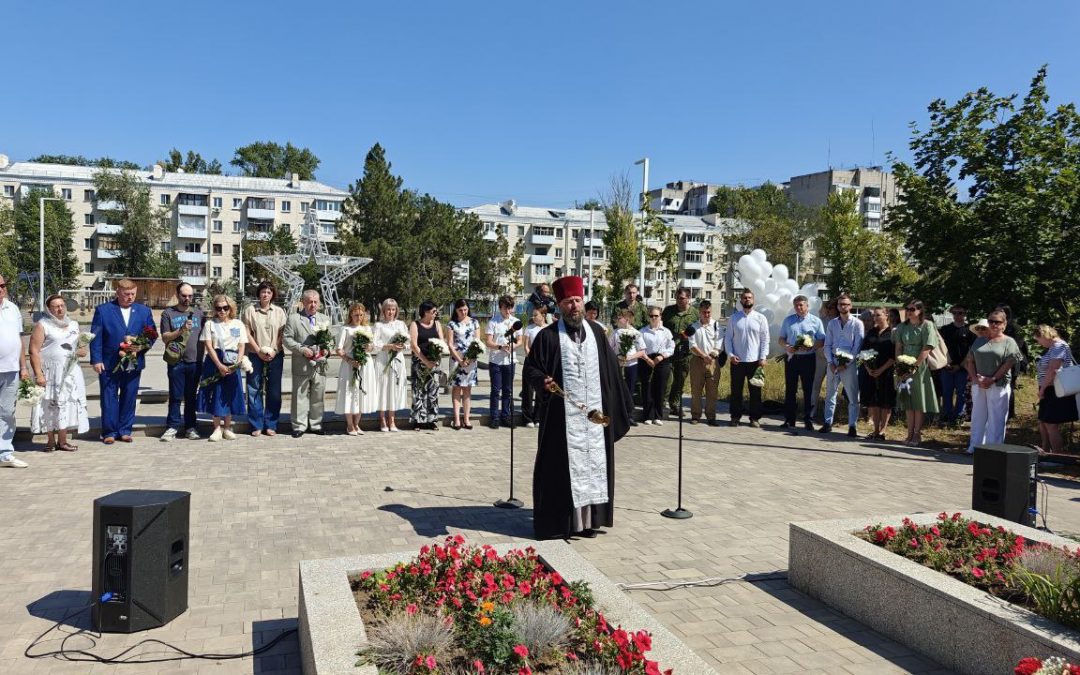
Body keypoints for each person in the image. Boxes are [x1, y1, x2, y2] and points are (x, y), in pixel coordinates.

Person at [522, 275, 632, 540]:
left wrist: (617, 409)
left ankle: (590, 521)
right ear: (559, 305)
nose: (574, 306)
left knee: (594, 466)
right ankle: (563, 523)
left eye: (578, 300)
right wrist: (543, 382)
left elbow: (610, 374)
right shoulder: (547, 337)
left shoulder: (596, 332)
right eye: (568, 302)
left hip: (594, 419)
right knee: (560, 470)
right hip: (563, 421)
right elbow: (532, 370)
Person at [90, 279, 157, 444]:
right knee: (109, 396)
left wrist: (140, 347)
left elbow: (152, 335)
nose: (130, 297)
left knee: (129, 395)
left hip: (133, 362)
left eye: (133, 294)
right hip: (109, 362)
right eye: (126, 294)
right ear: (118, 292)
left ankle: (125, 430)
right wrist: (96, 359)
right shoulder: (104, 311)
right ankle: (109, 432)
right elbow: (96, 337)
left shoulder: (143, 311)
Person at [29, 294, 89, 452]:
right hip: (50, 372)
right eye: (56, 306)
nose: (60, 308)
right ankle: (50, 440)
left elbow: (79, 345)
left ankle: (63, 440)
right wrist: (38, 374)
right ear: (49, 309)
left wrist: (81, 350)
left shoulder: (74, 324)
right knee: (49, 405)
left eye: (62, 305)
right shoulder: (43, 325)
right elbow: (34, 351)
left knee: (67, 404)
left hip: (70, 371)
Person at [964, 309, 1022, 454]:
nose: (994, 324)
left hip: (998, 384)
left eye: (997, 322)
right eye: (991, 321)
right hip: (979, 383)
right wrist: (976, 379)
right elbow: (970, 361)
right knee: (978, 415)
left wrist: (992, 379)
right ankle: (975, 445)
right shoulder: (980, 339)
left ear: (1004, 324)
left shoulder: (1009, 342)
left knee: (996, 418)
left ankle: (993, 449)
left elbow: (1008, 364)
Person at [197, 294, 248, 441]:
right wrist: (219, 364)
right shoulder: (210, 324)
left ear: (230, 308)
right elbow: (208, 346)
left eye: (225, 308)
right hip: (215, 361)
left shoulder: (238, 324)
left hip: (233, 362)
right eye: (218, 308)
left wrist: (236, 365)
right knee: (216, 394)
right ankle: (217, 428)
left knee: (229, 394)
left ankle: (227, 427)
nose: (222, 311)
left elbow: (241, 345)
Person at [159, 282, 204, 441]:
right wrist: (180, 330)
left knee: (191, 396)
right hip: (176, 361)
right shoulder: (168, 314)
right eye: (184, 295)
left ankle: (190, 427)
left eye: (190, 295)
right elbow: (165, 337)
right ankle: (172, 427)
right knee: (176, 396)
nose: (187, 298)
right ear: (177, 295)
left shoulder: (199, 313)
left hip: (195, 361)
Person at [283, 289, 331, 437]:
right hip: (301, 363)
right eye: (310, 301)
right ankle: (299, 426)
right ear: (303, 302)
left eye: (316, 302)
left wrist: (326, 351)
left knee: (318, 395)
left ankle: (316, 425)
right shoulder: (294, 318)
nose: (313, 304)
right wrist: (301, 349)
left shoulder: (324, 318)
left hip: (319, 365)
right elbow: (286, 339)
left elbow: (329, 341)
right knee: (300, 395)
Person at [243, 281, 287, 437]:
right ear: (258, 294)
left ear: (272, 294)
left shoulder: (280, 312)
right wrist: (258, 350)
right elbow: (247, 333)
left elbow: (282, 333)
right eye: (263, 292)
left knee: (273, 390)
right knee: (254, 388)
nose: (265, 295)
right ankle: (256, 424)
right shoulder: (249, 311)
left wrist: (275, 350)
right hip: (256, 354)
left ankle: (271, 424)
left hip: (276, 354)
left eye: (269, 292)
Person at [894, 299, 940, 447]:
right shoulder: (902, 327)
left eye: (912, 309)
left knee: (918, 401)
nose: (909, 312)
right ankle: (909, 433)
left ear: (920, 311)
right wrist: (900, 366)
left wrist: (915, 366)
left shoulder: (927, 325)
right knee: (908, 400)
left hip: (919, 366)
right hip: (904, 364)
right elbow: (898, 347)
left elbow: (927, 348)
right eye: (907, 309)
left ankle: (917, 433)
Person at [779, 295, 825, 431]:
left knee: (808, 389)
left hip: (808, 358)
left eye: (801, 305)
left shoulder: (815, 321)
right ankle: (789, 419)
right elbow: (781, 338)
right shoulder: (788, 321)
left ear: (807, 306)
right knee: (790, 389)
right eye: (796, 305)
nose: (799, 308)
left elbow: (822, 340)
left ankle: (808, 419)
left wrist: (811, 346)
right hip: (792, 358)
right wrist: (787, 346)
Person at [821, 292, 865, 437]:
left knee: (853, 396)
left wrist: (846, 363)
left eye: (845, 304)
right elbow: (827, 344)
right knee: (830, 394)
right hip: (833, 362)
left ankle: (852, 425)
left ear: (850, 306)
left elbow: (857, 346)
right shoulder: (832, 323)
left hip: (848, 364)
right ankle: (828, 423)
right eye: (840, 304)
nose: (843, 306)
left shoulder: (857, 323)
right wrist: (830, 362)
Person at [724, 289, 769, 427]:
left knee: (755, 391)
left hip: (755, 361)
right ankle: (735, 417)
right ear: (740, 300)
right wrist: (731, 355)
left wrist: (763, 357)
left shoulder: (761, 318)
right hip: (737, 361)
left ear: (753, 300)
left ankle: (754, 418)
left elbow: (765, 339)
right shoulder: (734, 318)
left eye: (749, 297)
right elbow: (728, 339)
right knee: (736, 391)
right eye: (744, 298)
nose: (747, 299)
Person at [0, 274, 30, 468]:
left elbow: (18, 340)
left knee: (7, 412)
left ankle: (4, 453)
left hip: (10, 369)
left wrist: (23, 367)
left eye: (3, 285)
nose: (1, 289)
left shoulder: (12, 308)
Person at [336, 302, 378, 435]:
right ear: (351, 314)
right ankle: (349, 425)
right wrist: (349, 360)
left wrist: (369, 347)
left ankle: (357, 424)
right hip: (349, 364)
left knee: (360, 394)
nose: (358, 317)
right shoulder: (345, 329)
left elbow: (372, 346)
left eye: (361, 314)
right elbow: (339, 349)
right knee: (349, 393)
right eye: (355, 314)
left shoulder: (367, 329)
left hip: (365, 364)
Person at [1034, 325, 1077, 453]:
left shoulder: (1058, 346)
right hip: (1048, 389)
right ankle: (1045, 451)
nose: (1039, 343)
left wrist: (1042, 390)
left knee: (1051, 424)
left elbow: (1053, 370)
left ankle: (1057, 457)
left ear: (1044, 336)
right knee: (1043, 421)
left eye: (1038, 339)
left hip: (1055, 390)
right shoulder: (1053, 348)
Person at [859, 307, 896, 440]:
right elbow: (864, 351)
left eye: (878, 315)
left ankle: (883, 430)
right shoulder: (871, 332)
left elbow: (894, 355)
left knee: (885, 401)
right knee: (873, 401)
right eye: (874, 316)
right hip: (871, 371)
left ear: (886, 315)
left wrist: (881, 369)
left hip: (886, 371)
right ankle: (875, 430)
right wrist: (869, 368)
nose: (875, 318)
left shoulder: (892, 332)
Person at [686, 300, 725, 426]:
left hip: (713, 361)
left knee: (712, 391)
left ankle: (711, 417)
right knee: (696, 390)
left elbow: (719, 343)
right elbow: (692, 345)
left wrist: (712, 355)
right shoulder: (693, 327)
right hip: (697, 361)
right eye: (704, 312)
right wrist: (704, 356)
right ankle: (695, 415)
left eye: (708, 312)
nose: (707, 315)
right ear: (699, 312)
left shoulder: (716, 325)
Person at [662, 288, 698, 418]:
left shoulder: (695, 313)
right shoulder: (668, 311)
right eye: (677, 297)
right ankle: (662, 404)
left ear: (688, 298)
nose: (678, 300)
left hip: (685, 353)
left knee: (680, 380)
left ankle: (675, 404)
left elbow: (699, 330)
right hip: (669, 351)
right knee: (668, 379)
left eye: (682, 298)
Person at [373, 298, 409, 432]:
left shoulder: (401, 324)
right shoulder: (378, 325)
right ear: (383, 310)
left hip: (397, 360)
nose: (391, 312)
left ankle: (392, 420)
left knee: (394, 388)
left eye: (393, 309)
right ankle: (382, 419)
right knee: (383, 388)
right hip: (383, 360)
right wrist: (389, 346)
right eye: (388, 309)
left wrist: (402, 346)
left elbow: (408, 343)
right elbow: (374, 345)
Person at [485, 295, 520, 429]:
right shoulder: (493, 322)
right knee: (495, 390)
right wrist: (500, 347)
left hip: (510, 360)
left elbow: (520, 340)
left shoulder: (515, 322)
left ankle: (506, 416)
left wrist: (513, 347)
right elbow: (488, 342)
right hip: (496, 360)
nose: (508, 311)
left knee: (508, 390)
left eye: (510, 308)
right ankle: (494, 417)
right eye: (506, 308)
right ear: (500, 307)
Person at [938, 305, 974, 428]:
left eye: (961, 313)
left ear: (965, 314)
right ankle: (947, 416)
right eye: (955, 313)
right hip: (946, 366)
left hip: (962, 368)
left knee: (961, 393)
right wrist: (945, 363)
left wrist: (960, 365)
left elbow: (972, 351)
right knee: (947, 392)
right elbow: (939, 347)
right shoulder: (945, 329)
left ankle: (959, 416)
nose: (958, 315)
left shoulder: (970, 331)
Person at [410, 300, 445, 430]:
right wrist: (425, 361)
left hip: (434, 362)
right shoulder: (415, 324)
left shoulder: (437, 324)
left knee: (433, 392)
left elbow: (441, 342)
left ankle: (432, 420)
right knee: (419, 391)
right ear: (425, 312)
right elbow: (414, 345)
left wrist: (436, 359)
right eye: (433, 311)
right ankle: (418, 421)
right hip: (420, 362)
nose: (436, 313)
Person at [609, 308, 647, 426]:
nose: (617, 320)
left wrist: (630, 357)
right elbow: (609, 348)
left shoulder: (635, 333)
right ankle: (616, 416)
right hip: (618, 365)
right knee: (617, 390)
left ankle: (629, 416)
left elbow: (642, 351)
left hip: (631, 365)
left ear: (627, 319)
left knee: (629, 390)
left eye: (620, 317)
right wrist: (617, 357)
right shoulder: (615, 333)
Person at [447, 299, 481, 430]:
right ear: (456, 310)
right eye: (460, 310)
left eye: (465, 309)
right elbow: (450, 343)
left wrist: (471, 358)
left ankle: (466, 418)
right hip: (456, 359)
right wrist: (460, 360)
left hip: (471, 360)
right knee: (456, 388)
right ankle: (456, 419)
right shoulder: (451, 324)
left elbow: (477, 341)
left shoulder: (474, 322)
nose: (463, 312)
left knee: (467, 389)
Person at [639, 307, 675, 425]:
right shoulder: (643, 331)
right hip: (647, 360)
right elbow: (639, 347)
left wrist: (662, 356)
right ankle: (648, 416)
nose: (654, 318)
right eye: (651, 316)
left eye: (656, 316)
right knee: (647, 388)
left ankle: (658, 415)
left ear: (660, 317)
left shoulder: (666, 332)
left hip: (661, 361)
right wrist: (647, 359)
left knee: (660, 388)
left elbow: (671, 347)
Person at [810, 300, 837, 421]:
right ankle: (811, 411)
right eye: (828, 307)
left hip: (834, 358)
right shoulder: (821, 320)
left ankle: (829, 415)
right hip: (820, 357)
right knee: (815, 385)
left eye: (831, 307)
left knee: (831, 388)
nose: (829, 309)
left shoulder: (839, 322)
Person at [520, 306, 548, 428]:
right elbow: (526, 346)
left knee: (541, 389)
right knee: (528, 390)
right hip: (530, 362)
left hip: (543, 363)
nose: (533, 317)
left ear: (543, 315)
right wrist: (531, 356)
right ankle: (527, 418)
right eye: (533, 315)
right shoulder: (529, 328)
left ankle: (538, 417)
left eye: (536, 315)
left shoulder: (548, 329)